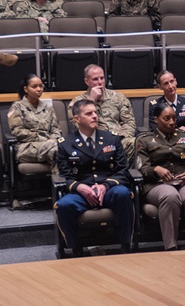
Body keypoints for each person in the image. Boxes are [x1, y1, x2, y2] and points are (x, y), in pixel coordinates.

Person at [54, 99, 134, 255]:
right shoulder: (66, 144)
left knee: (123, 194)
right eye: (89, 113)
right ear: (77, 119)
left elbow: (123, 170)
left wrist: (106, 185)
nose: (95, 116)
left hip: (109, 190)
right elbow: (65, 176)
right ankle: (76, 249)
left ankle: (125, 246)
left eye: (95, 112)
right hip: (82, 193)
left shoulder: (112, 139)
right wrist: (79, 187)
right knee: (63, 206)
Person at [137, 103, 185, 250]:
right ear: (156, 120)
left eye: (174, 118)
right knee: (170, 195)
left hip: (184, 181)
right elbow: (141, 169)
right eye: (166, 118)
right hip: (157, 184)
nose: (172, 122)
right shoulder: (144, 140)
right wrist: (155, 170)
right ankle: (171, 247)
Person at [69, 64, 137, 161]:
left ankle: (126, 174)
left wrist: (120, 138)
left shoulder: (118, 97)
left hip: (120, 139)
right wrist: (91, 100)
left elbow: (129, 122)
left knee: (136, 143)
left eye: (102, 78)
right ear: (86, 81)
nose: (100, 82)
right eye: (95, 79)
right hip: (94, 142)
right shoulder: (77, 102)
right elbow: (77, 125)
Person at [7, 74, 61, 172]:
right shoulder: (17, 107)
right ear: (26, 89)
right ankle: (60, 184)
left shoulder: (48, 108)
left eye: (41, 86)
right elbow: (17, 131)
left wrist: (53, 139)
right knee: (57, 151)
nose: (39, 89)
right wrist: (44, 139)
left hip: (50, 144)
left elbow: (56, 129)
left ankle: (58, 183)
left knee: (62, 149)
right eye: (34, 86)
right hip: (26, 147)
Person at [147, 70, 185, 144]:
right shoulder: (155, 106)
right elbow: (154, 129)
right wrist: (179, 131)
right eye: (166, 83)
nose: (170, 86)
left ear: (176, 81)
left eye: (172, 81)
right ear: (160, 87)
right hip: (165, 142)